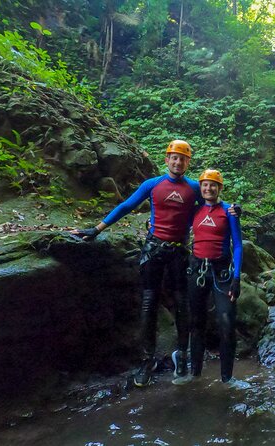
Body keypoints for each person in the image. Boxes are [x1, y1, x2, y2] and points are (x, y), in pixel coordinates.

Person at [73, 140, 221, 387]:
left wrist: (231, 213)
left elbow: (212, 207)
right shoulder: (153, 185)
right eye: (174, 158)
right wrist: (96, 229)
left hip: (179, 252)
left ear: (188, 163)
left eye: (182, 159)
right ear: (166, 160)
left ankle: (182, 355)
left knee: (182, 304)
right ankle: (147, 360)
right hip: (154, 249)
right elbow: (127, 206)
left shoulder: (195, 188)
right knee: (149, 303)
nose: (178, 162)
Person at [184, 169, 243, 385]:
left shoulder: (229, 211)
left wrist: (236, 278)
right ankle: (194, 374)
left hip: (222, 272)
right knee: (196, 322)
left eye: (213, 185)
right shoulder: (195, 211)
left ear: (220, 188)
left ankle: (227, 378)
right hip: (197, 270)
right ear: (200, 188)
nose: (208, 188)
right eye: (205, 185)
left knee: (226, 322)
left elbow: (237, 245)